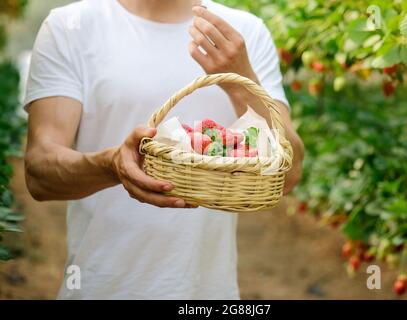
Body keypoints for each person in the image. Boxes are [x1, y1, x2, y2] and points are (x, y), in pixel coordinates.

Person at [24, 0, 304, 299]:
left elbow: (289, 173)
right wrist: (112, 165)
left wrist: (240, 80)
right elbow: (40, 172)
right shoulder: (70, 27)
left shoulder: (243, 33)